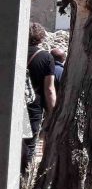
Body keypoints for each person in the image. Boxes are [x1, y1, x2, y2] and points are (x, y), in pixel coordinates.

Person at [24, 23, 56, 173]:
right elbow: (49, 89)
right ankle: (23, 178)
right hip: (32, 108)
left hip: (8, 106)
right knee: (28, 145)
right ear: (41, 38)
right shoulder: (46, 57)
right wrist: (53, 112)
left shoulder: (13, 50)